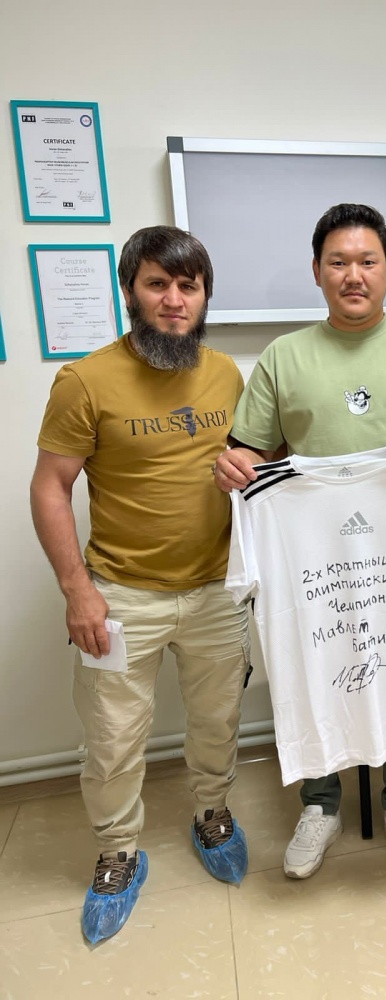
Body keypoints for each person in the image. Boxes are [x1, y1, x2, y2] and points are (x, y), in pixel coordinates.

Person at [214, 203, 386, 881]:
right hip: (316, 558)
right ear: (316, 272)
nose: (353, 275)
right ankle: (320, 803)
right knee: (316, 664)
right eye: (337, 262)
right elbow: (249, 452)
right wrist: (235, 464)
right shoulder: (283, 357)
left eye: (367, 261)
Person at [30, 226, 251, 945]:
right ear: (130, 291)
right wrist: (77, 590)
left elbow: (254, 462)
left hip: (217, 591)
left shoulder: (227, 374)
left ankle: (211, 812)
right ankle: (118, 851)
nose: (174, 299)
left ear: (205, 296)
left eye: (189, 286)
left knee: (218, 720)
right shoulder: (85, 380)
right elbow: (51, 487)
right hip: (120, 594)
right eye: (158, 284)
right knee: (113, 737)